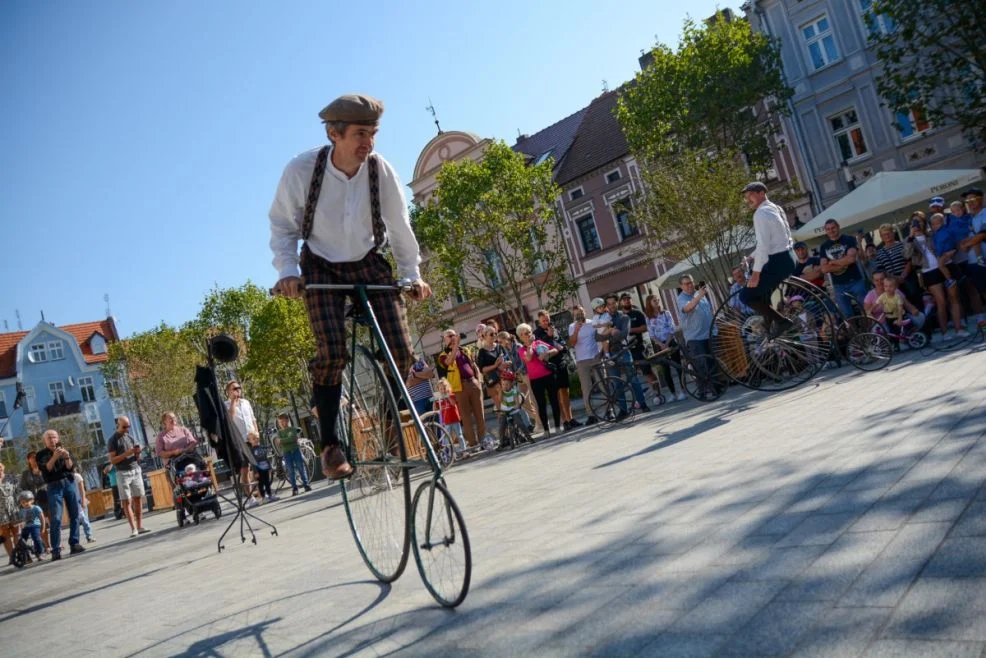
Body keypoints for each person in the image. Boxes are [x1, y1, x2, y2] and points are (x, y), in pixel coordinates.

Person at [269, 94, 432, 481]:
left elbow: (399, 226)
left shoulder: (381, 171)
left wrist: (412, 275)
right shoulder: (302, 170)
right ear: (333, 133)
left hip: (369, 264)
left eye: (373, 134)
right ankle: (330, 445)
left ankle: (388, 429)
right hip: (321, 265)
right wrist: (288, 271)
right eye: (361, 133)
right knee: (331, 351)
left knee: (402, 352)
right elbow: (282, 225)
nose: (369, 143)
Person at [739, 182, 796, 336]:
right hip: (789, 258)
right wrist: (751, 257)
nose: (748, 200)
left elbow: (764, 246)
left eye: (750, 195)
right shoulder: (776, 208)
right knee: (761, 294)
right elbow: (773, 241)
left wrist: (755, 274)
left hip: (777, 261)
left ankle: (781, 321)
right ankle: (768, 322)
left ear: (761, 193)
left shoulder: (760, 214)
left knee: (746, 296)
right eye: (746, 197)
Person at [904, 212, 965, 342]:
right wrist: (910, 236)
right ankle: (944, 333)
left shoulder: (932, 234)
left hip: (946, 266)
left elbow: (950, 243)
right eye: (914, 222)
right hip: (929, 271)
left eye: (919, 221)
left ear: (924, 223)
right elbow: (906, 255)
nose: (917, 224)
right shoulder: (909, 240)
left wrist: (951, 251)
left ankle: (959, 328)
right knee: (940, 302)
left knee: (954, 298)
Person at [36, 429, 86, 559]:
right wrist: (54, 457)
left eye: (54, 437)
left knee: (74, 514)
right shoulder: (41, 454)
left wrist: (67, 457)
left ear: (58, 438)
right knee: (56, 518)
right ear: (45, 441)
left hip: (68, 482)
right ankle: (56, 549)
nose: (52, 439)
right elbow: (47, 469)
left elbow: (70, 468)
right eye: (49, 437)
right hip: (54, 485)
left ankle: (74, 544)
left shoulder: (64, 450)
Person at [436, 329, 486, 449]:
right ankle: (473, 443)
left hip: (473, 383)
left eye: (454, 335)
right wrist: (456, 346)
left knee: (480, 414)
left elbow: (473, 365)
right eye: (450, 336)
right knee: (466, 417)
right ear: (445, 340)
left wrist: (478, 380)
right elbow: (449, 361)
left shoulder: (465, 350)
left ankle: (483, 440)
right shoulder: (442, 355)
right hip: (459, 388)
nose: (453, 337)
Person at [534, 311, 579, 430]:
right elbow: (540, 349)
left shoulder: (554, 329)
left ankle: (571, 419)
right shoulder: (536, 334)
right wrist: (548, 336)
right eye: (543, 320)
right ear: (539, 321)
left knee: (565, 391)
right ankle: (564, 421)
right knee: (557, 394)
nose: (546, 322)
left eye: (547, 319)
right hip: (550, 367)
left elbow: (563, 343)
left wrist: (562, 347)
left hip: (561, 363)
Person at [605, 295, 650, 413]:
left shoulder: (624, 317)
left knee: (633, 379)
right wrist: (610, 331)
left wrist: (610, 332)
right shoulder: (604, 319)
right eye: (609, 304)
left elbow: (623, 334)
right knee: (616, 383)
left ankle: (643, 404)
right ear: (606, 306)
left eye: (613, 303)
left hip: (623, 350)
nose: (612, 306)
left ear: (617, 303)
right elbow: (597, 337)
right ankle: (623, 410)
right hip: (610, 353)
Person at [516, 323, 562, 436]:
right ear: (520, 337)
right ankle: (546, 430)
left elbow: (555, 350)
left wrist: (547, 353)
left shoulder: (539, 343)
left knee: (554, 401)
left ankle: (557, 426)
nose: (526, 335)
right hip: (535, 379)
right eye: (523, 334)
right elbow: (528, 357)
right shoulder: (522, 349)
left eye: (528, 332)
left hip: (548, 375)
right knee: (541, 404)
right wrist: (530, 345)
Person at [107, 416, 149, 537]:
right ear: (118, 425)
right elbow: (113, 460)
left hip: (135, 469)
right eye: (124, 427)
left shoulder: (130, 437)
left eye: (128, 426)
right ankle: (133, 528)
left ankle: (140, 526)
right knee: (126, 500)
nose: (127, 429)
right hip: (122, 472)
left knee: (138, 498)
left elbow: (137, 457)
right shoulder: (113, 440)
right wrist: (127, 453)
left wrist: (138, 453)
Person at [644, 294, 686, 402]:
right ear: (649, 303)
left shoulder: (666, 313)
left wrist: (667, 342)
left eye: (657, 299)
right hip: (659, 345)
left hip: (670, 342)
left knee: (678, 366)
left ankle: (683, 390)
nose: (657, 301)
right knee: (665, 370)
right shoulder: (648, 317)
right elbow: (651, 334)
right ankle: (673, 393)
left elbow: (672, 328)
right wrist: (660, 344)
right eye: (654, 300)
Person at [225, 380, 259, 507]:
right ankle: (250, 497)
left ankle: (263, 493)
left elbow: (253, 418)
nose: (237, 390)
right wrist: (233, 401)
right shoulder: (226, 404)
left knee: (258, 467)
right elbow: (229, 418)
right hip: (240, 441)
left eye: (238, 388)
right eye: (234, 389)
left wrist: (257, 432)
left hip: (252, 438)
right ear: (228, 392)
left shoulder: (246, 402)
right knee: (245, 469)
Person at [568, 304, 600, 424]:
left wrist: (602, 353)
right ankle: (591, 415)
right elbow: (572, 343)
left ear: (584, 312)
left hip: (595, 357)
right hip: (582, 360)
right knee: (586, 389)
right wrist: (576, 330)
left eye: (580, 312)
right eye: (576, 314)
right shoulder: (572, 327)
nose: (579, 315)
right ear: (573, 316)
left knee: (603, 383)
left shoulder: (592, 323)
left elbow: (599, 337)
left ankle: (609, 409)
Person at [676, 275, 715, 361]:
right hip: (696, 339)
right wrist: (699, 296)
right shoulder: (681, 298)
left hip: (710, 335)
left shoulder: (699, 293)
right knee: (705, 369)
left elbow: (708, 310)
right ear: (681, 286)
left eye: (691, 282)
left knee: (716, 366)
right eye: (686, 284)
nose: (690, 285)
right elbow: (687, 308)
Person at [274, 413, 312, 496]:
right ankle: (294, 488)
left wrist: (283, 441)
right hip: (287, 453)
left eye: (284, 421)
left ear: (287, 421)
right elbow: (279, 443)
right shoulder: (279, 433)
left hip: (296, 450)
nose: (282, 423)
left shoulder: (292, 429)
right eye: (280, 422)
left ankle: (306, 485)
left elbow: (293, 438)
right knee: (291, 471)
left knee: (301, 468)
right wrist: (285, 441)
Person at [476, 325, 508, 411]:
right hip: (493, 380)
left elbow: (508, 359)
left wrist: (506, 364)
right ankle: (503, 423)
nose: (494, 335)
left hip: (505, 378)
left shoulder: (499, 346)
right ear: (485, 336)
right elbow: (482, 369)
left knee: (509, 403)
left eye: (495, 333)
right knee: (500, 407)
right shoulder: (482, 351)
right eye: (491, 334)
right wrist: (495, 365)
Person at [434, 378, 467, 454]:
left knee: (459, 435)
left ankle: (464, 450)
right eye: (441, 389)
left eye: (445, 387)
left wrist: (447, 396)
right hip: (446, 421)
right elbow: (435, 410)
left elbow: (453, 403)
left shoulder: (451, 395)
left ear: (448, 387)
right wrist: (435, 400)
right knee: (446, 438)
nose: (443, 390)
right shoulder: (440, 399)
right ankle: (450, 454)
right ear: (439, 390)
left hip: (454, 419)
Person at [247, 432, 278, 504]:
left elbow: (266, 458)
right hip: (258, 469)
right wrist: (255, 472)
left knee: (267, 482)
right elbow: (252, 462)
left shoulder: (262, 447)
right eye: (253, 439)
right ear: (250, 441)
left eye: (257, 438)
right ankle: (263, 497)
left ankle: (270, 495)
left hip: (265, 468)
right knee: (260, 484)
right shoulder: (251, 451)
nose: (256, 440)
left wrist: (270, 466)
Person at [929, 213, 958, 289]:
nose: (935, 226)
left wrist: (938, 254)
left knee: (940, 264)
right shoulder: (939, 232)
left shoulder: (942, 232)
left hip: (945, 252)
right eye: (933, 224)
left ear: (942, 222)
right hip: (948, 251)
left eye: (937, 224)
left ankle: (949, 279)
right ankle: (950, 279)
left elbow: (940, 244)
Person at [0, 462, 20, 564]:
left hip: (13, 507)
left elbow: (18, 492)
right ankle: (12, 557)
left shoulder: (11, 477)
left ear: (3, 467)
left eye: (0, 466)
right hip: (0, 511)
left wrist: (21, 506)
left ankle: (19, 554)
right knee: (5, 534)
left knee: (16, 531)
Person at [18, 491, 45, 562]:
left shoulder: (36, 508)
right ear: (21, 503)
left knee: (36, 538)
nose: (25, 503)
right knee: (22, 541)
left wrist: (43, 528)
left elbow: (42, 518)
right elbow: (21, 520)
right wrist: (19, 525)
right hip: (26, 527)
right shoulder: (22, 511)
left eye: (27, 501)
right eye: (23, 502)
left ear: (32, 500)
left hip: (35, 526)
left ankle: (40, 553)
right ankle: (26, 556)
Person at [73, 470, 94, 544]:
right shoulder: (66, 479)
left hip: (80, 500)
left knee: (85, 519)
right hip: (72, 501)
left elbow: (82, 489)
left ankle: (89, 536)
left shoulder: (77, 476)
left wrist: (83, 500)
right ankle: (75, 540)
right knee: (75, 521)